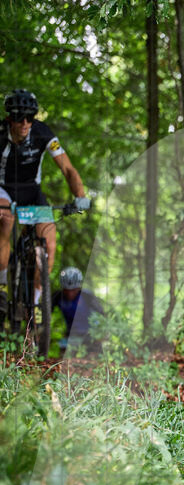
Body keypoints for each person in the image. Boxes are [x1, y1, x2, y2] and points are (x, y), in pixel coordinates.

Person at [0, 89, 91, 315]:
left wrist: (80, 197)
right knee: (6, 220)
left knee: (48, 242)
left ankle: (36, 303)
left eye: (30, 117)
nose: (25, 123)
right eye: (20, 117)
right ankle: (2, 284)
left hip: (32, 193)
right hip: (3, 189)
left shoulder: (43, 133)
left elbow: (67, 168)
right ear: (9, 117)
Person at [51, 266, 104, 351]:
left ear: (79, 287)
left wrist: (100, 334)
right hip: (71, 335)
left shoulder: (87, 296)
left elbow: (102, 314)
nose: (69, 293)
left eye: (73, 290)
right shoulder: (57, 297)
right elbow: (45, 314)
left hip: (90, 335)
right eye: (66, 290)